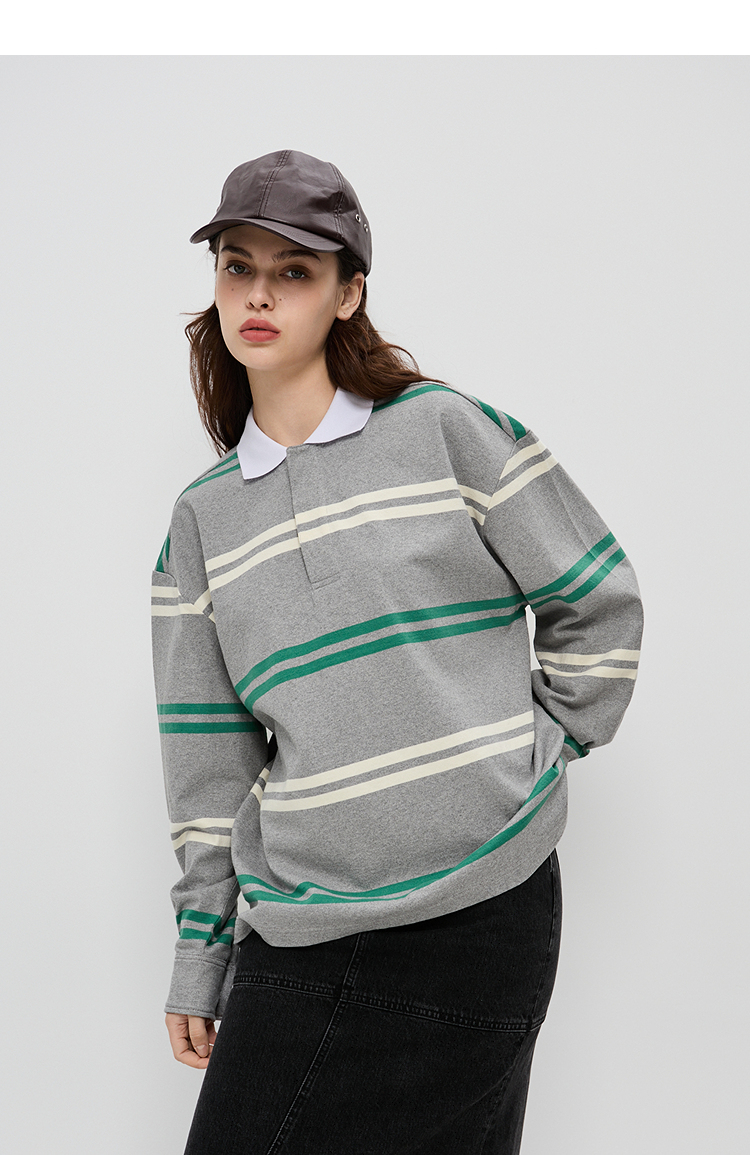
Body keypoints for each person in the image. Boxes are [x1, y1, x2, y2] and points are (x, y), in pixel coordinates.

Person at [151, 149, 643, 1154]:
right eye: (238, 266)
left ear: (349, 292)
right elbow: (207, 765)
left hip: (483, 910)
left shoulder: (447, 432)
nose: (259, 294)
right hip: (302, 925)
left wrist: (531, 754)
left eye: (294, 271)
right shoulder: (202, 522)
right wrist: (200, 954)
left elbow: (599, 598)